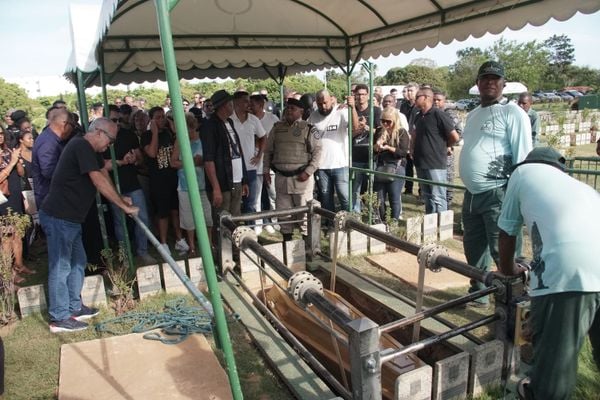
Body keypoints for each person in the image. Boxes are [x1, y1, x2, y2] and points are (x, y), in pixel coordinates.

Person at [497, 147, 600, 400]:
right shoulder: (585, 189)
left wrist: (508, 269)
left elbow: (507, 230)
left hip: (569, 273)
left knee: (555, 371)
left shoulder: (521, 173)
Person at [39, 118, 138, 333]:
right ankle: (59, 317)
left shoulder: (90, 150)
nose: (110, 146)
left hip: (71, 219)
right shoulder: (80, 145)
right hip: (59, 217)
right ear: (99, 133)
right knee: (61, 266)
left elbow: (103, 170)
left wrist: (121, 197)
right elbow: (98, 179)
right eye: (110, 141)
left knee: (78, 262)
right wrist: (122, 205)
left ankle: (74, 307)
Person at [459, 60, 532, 307]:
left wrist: (518, 194)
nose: (490, 82)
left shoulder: (513, 112)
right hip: (471, 194)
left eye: (495, 79)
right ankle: (478, 292)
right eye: (485, 78)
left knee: (503, 250)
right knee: (473, 247)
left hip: (499, 193)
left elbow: (523, 155)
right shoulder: (472, 114)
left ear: (503, 84)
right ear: (478, 83)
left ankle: (513, 301)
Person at [263, 98, 321, 240]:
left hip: (301, 179)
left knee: (304, 214)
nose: (289, 110)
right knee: (283, 214)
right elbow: (268, 151)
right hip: (281, 179)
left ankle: (307, 246)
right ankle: (287, 243)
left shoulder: (308, 129)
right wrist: (265, 170)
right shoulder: (276, 128)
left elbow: (318, 152)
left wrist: (308, 172)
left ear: (301, 111)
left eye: (293, 108)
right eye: (288, 108)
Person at [103, 106, 155, 265]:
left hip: (132, 183)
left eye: (119, 119)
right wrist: (122, 161)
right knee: (120, 222)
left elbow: (140, 158)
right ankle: (125, 255)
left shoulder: (128, 135)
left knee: (143, 217)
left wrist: (135, 159)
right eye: (113, 120)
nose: (117, 123)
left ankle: (142, 251)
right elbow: (102, 165)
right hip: (114, 186)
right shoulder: (103, 138)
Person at [141, 106, 187, 255]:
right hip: (158, 180)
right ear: (152, 120)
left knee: (175, 210)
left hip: (172, 177)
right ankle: (163, 242)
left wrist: (174, 129)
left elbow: (180, 145)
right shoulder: (146, 135)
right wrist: (154, 132)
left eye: (163, 117)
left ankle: (180, 239)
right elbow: (152, 153)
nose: (162, 120)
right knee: (163, 213)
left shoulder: (168, 133)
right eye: (158, 117)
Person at [201, 90, 249, 225]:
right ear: (223, 105)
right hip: (223, 182)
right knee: (223, 220)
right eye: (230, 103)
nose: (232, 106)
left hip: (236, 179)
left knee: (235, 218)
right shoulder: (210, 126)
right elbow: (209, 160)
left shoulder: (229, 122)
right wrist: (216, 188)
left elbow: (238, 151)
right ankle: (222, 246)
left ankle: (235, 246)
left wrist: (244, 179)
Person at [307, 89, 358, 214]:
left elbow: (354, 127)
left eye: (325, 102)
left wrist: (353, 108)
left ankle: (349, 223)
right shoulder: (313, 116)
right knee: (326, 198)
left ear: (332, 99)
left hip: (340, 164)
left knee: (345, 197)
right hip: (321, 165)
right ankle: (331, 224)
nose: (323, 107)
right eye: (319, 104)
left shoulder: (341, 112)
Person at [412, 86, 459, 214]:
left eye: (417, 97)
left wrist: (445, 146)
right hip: (420, 162)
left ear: (426, 98)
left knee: (438, 196)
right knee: (427, 196)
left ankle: (442, 225)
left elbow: (455, 136)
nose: (415, 99)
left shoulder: (438, 114)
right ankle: (430, 224)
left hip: (435, 162)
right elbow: (415, 135)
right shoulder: (418, 116)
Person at [170, 112, 213, 256]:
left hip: (203, 184)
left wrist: (202, 162)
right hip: (185, 186)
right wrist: (190, 163)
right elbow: (173, 162)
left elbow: (209, 160)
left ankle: (209, 244)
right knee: (188, 218)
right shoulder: (179, 141)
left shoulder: (203, 139)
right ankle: (192, 246)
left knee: (207, 216)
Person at [231, 91, 266, 214]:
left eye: (249, 101)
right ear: (236, 102)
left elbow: (263, 137)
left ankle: (249, 230)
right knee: (233, 203)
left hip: (250, 167)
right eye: (246, 101)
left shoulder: (253, 119)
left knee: (250, 203)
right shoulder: (229, 119)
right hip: (233, 168)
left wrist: (259, 155)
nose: (249, 104)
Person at [31, 108, 74, 208]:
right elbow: (49, 171)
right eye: (72, 126)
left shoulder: (51, 139)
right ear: (64, 123)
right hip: (51, 201)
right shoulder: (48, 142)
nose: (72, 130)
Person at [250, 94, 280, 234]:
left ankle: (274, 221)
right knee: (256, 197)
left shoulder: (272, 118)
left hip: (270, 163)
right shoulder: (249, 119)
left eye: (253, 105)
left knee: (273, 195)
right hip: (254, 163)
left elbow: (278, 137)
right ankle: (258, 224)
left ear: (261, 105)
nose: (250, 107)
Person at [373, 107, 410, 222]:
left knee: (394, 197)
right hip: (381, 166)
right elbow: (373, 150)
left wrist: (388, 147)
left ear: (395, 120)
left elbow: (403, 152)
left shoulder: (402, 132)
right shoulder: (379, 131)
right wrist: (377, 145)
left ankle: (393, 221)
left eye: (388, 121)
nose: (385, 124)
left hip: (397, 166)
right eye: (382, 120)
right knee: (379, 197)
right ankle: (382, 220)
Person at [352, 84, 381, 213]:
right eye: (358, 94)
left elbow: (381, 133)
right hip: (355, 155)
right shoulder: (351, 110)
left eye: (363, 94)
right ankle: (356, 214)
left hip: (371, 155)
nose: (361, 97)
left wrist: (367, 128)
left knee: (373, 187)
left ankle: (373, 213)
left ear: (368, 95)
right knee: (355, 188)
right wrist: (358, 129)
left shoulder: (375, 111)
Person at [432, 90, 463, 205]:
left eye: (438, 100)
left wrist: (449, 145)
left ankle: (447, 206)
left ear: (444, 101)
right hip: (433, 153)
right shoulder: (430, 113)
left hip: (446, 153)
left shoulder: (449, 114)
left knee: (447, 180)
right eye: (434, 99)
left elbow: (459, 132)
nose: (436, 102)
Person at [399, 83, 419, 195]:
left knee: (419, 165)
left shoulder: (419, 105)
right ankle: (408, 188)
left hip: (417, 138)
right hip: (406, 137)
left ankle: (422, 191)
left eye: (411, 90)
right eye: (407, 90)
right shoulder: (404, 105)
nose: (408, 93)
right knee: (407, 165)